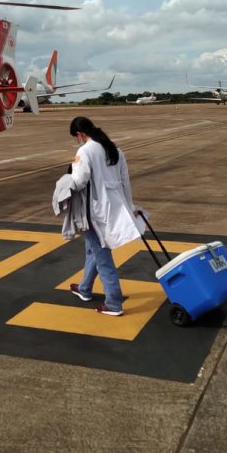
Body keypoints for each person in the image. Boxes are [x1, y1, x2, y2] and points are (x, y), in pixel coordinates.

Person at [65, 116, 143, 316]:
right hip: (116, 207)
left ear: (80, 134)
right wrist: (130, 206)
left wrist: (66, 179)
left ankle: (113, 303)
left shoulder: (85, 151)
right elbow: (125, 181)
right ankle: (84, 288)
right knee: (94, 249)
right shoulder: (114, 149)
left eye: (76, 137)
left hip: (95, 211)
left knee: (102, 257)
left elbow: (79, 181)